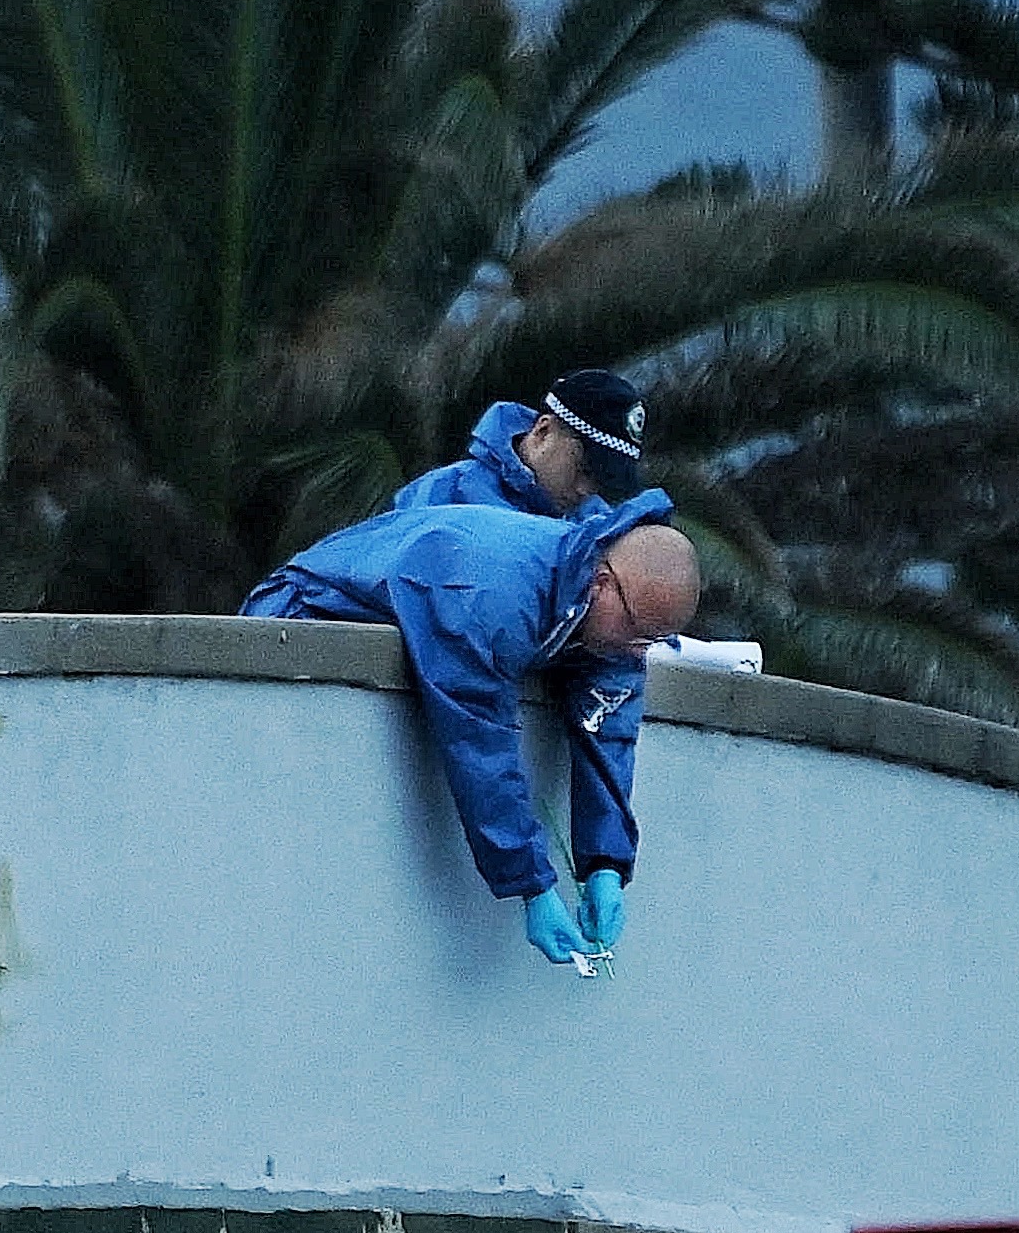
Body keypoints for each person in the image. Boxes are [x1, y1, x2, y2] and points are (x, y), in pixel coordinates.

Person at [243, 496, 702, 976]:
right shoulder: (489, 592)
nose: (638, 651)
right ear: (602, 585)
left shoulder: (609, 627)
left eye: (652, 642)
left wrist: (605, 864)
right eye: (638, 633)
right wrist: (532, 885)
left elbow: (607, 730)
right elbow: (478, 742)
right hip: (302, 618)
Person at [393, 370, 649, 518]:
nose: (586, 489)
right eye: (584, 468)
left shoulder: (598, 528)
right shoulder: (441, 496)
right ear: (543, 431)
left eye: (602, 478)